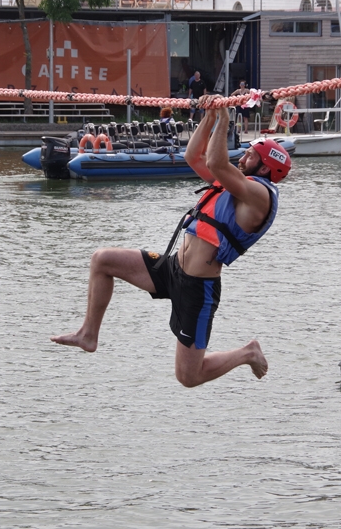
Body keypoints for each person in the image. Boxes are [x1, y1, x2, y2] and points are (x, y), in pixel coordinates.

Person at [51, 94, 292, 387]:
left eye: (250, 156)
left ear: (266, 168)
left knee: (188, 376)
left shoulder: (259, 196)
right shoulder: (236, 185)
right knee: (103, 260)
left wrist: (225, 117)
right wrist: (210, 116)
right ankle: (88, 334)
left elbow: (216, 162)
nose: (242, 158)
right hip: (172, 268)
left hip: (197, 288)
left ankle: (248, 353)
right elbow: (194, 157)